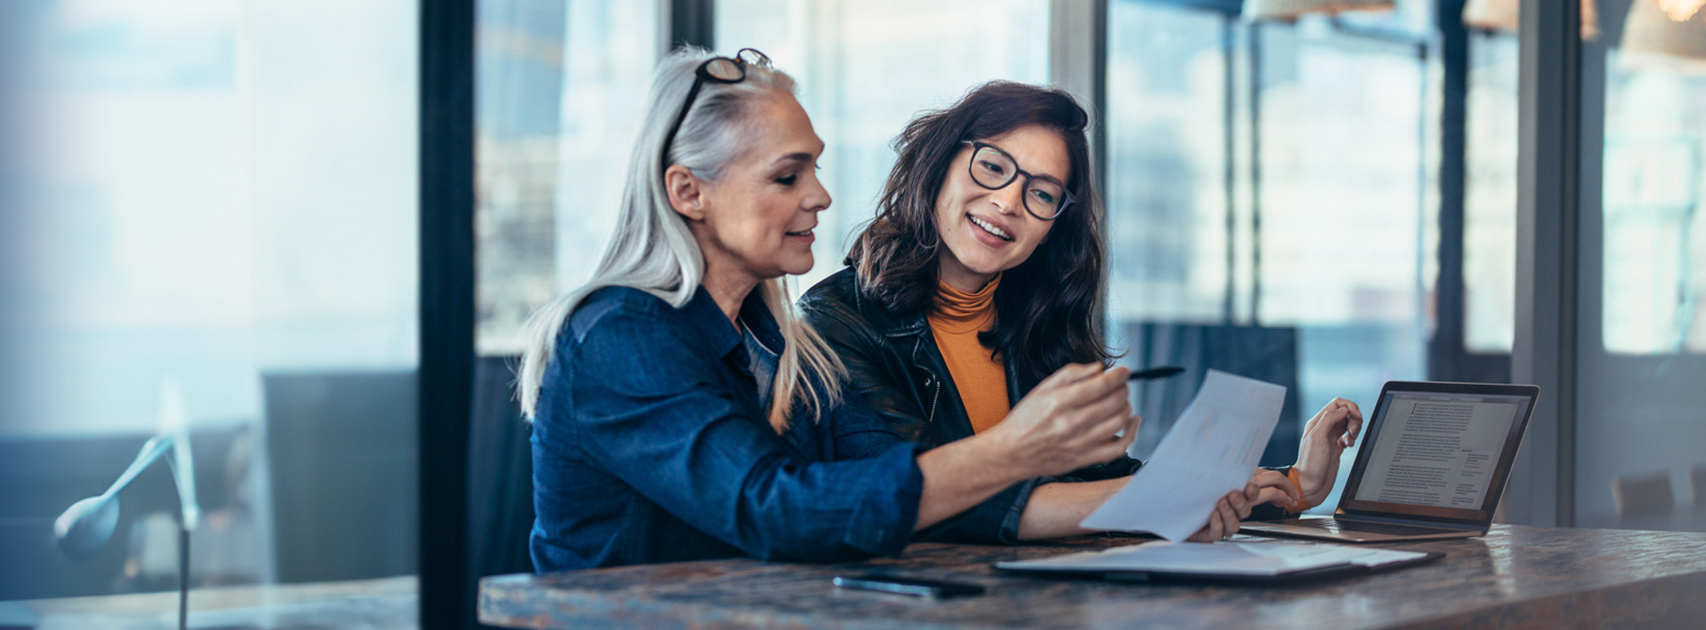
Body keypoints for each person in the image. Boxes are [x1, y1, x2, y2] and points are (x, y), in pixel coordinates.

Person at [518, 50, 1279, 573]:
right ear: (689, 192)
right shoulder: (619, 336)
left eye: (815, 168)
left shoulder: (778, 342)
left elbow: (885, 484)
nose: (819, 195)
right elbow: (776, 511)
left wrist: (1192, 494)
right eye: (789, 175)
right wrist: (1015, 450)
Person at [800, 81, 1365, 528]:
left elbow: (1103, 481)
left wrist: (1295, 486)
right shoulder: (834, 321)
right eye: (993, 166)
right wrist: (1157, 502)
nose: (1007, 202)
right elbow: (922, 497)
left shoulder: (1039, 323)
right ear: (939, 163)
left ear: (1052, 226)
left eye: (1042, 193)